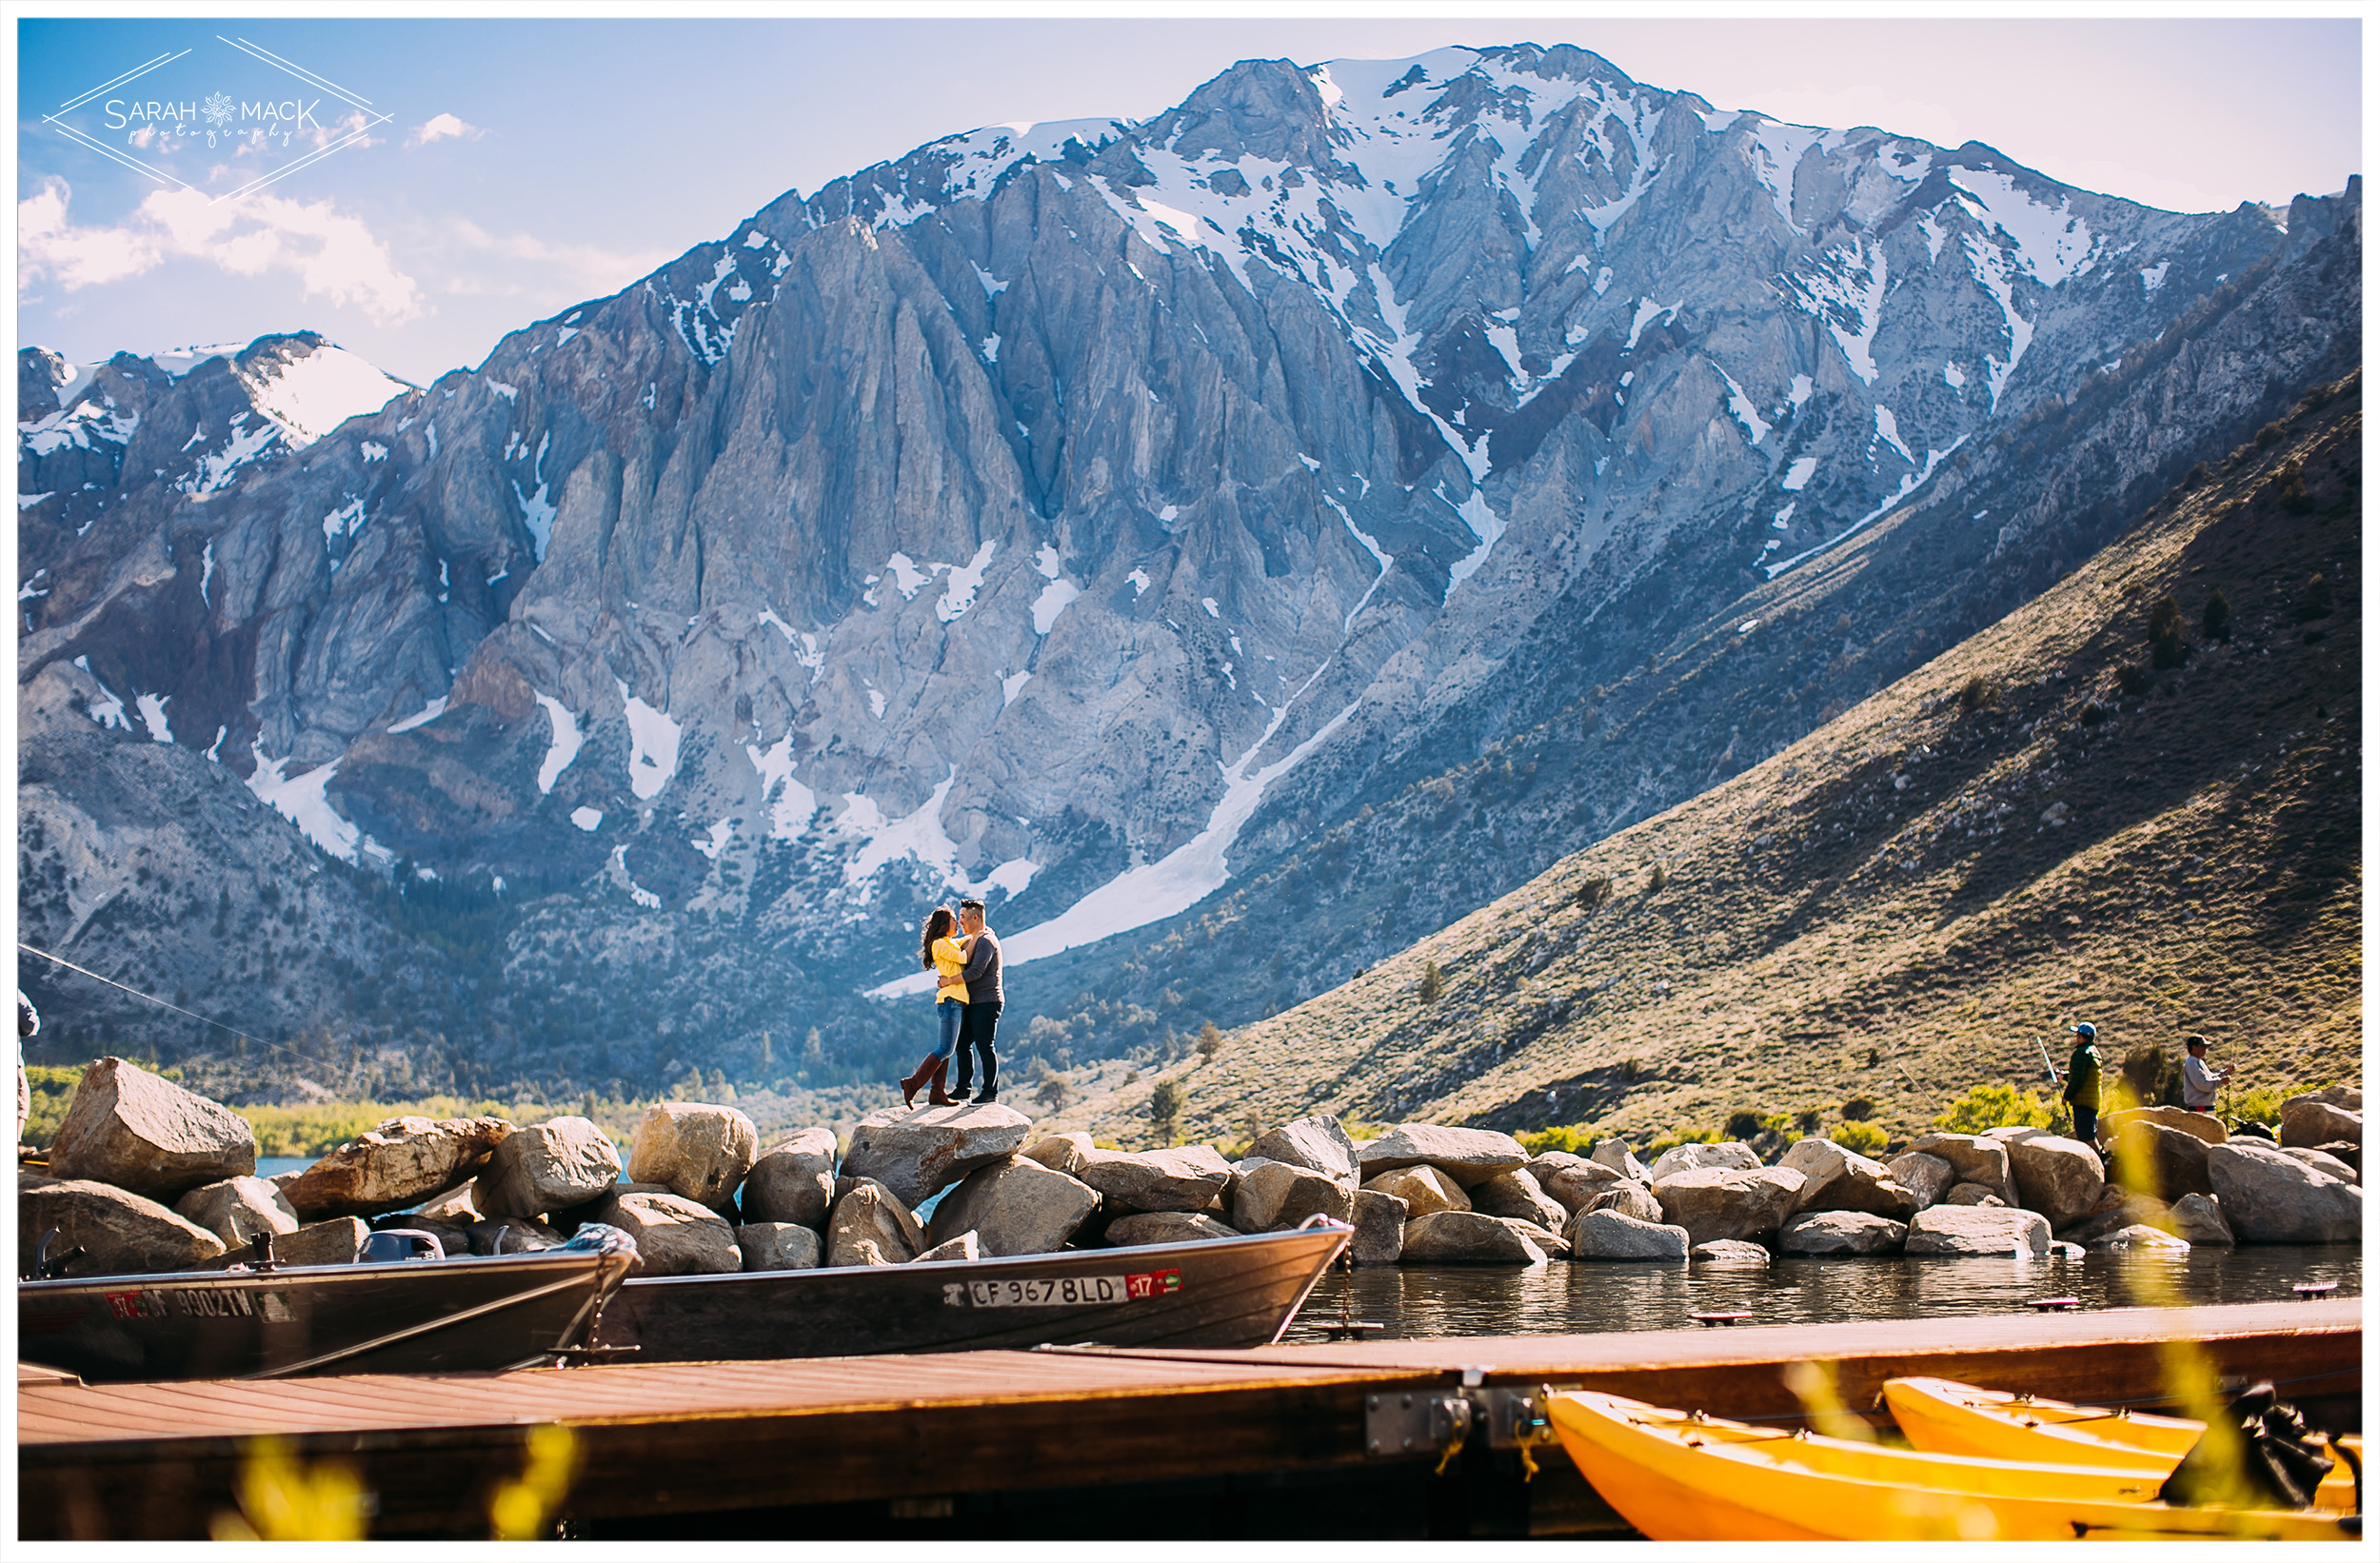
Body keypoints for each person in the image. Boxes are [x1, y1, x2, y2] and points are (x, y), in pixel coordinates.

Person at [897, 908, 966, 1107]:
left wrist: (977, 934)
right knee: (945, 1048)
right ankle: (914, 1084)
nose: (957, 923)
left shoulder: (948, 942)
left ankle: (937, 1093)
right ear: (945, 923)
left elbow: (961, 943)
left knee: (946, 1049)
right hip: (951, 1001)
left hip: (955, 1001)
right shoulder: (940, 944)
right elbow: (963, 957)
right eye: (954, 920)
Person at [950, 898, 1002, 1104]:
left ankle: (990, 1092)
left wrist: (949, 981)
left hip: (987, 1001)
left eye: (962, 917)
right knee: (963, 1045)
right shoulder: (974, 939)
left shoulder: (986, 941)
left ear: (975, 917)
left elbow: (976, 972)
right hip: (973, 1002)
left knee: (985, 1046)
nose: (960, 921)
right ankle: (963, 1089)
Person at [2056, 1021, 2103, 1144]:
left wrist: (2067, 1097)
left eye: (2077, 1035)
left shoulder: (2081, 1054)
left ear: (2081, 1036)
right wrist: (2065, 1076)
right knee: (2090, 1134)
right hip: (2093, 1101)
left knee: (2086, 1138)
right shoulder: (2094, 1052)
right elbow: (2085, 1075)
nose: (2076, 1038)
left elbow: (2077, 1080)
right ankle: (2102, 1159)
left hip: (2083, 1103)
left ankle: (2099, 1162)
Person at [2181, 1035, 2231, 1113]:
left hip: (2205, 1108)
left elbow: (2210, 1078)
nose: (2205, 1049)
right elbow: (2203, 1084)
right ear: (2194, 1047)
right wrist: (2221, 1081)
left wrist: (2226, 1072)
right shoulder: (2192, 1062)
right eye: (2203, 1046)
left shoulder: (2199, 1062)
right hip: (2200, 1110)